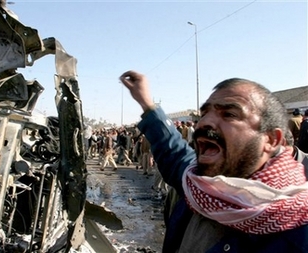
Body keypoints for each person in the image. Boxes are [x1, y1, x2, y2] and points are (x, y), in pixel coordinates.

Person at [119, 70, 308, 253]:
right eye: (205, 113)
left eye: (229, 114)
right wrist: (147, 103)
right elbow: (174, 151)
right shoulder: (196, 185)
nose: (204, 123)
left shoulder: (297, 230)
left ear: (271, 140)